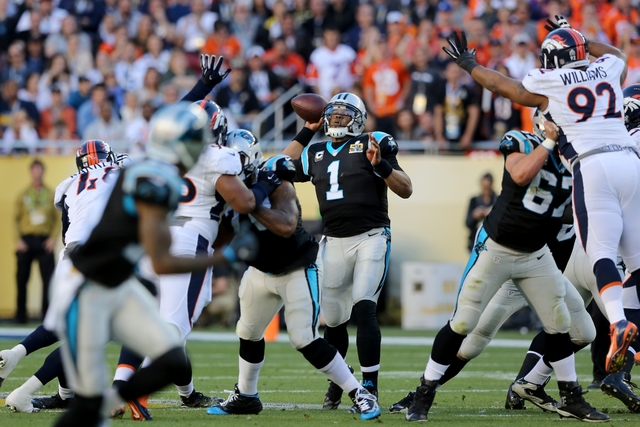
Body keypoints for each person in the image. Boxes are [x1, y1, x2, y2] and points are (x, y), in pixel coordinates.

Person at [42, 102, 271, 426]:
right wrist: (226, 257)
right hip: (85, 286)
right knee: (87, 410)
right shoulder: (154, 180)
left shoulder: (160, 172)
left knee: (173, 360)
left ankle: (117, 395)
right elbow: (163, 262)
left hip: (117, 282)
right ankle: (103, 401)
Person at [442, 17, 640, 375]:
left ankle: (619, 322)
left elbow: (505, 87)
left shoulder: (548, 82)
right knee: (637, 258)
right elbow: (617, 55)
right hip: (630, 160)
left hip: (593, 165)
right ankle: (627, 326)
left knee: (601, 254)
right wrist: (581, 39)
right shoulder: (607, 68)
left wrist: (470, 66)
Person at [400, 110, 607, 421]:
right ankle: (421, 394)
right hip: (500, 251)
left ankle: (557, 392)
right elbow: (521, 176)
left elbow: (579, 210)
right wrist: (550, 143)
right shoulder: (521, 142)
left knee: (573, 327)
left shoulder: (577, 160)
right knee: (467, 328)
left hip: (537, 257)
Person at [207, 142, 381, 421]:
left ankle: (360, 393)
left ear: (250, 161)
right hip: (260, 271)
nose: (229, 167)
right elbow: (222, 236)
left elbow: (287, 226)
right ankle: (246, 395)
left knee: (304, 339)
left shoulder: (277, 183)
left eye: (236, 159)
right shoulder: (224, 188)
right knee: (248, 332)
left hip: (297, 267)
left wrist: (249, 204)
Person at [282, 92, 412, 411]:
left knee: (364, 308)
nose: (337, 119)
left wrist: (380, 166)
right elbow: (281, 166)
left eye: (344, 114)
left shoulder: (375, 141)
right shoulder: (315, 152)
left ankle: (370, 386)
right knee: (335, 322)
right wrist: (306, 129)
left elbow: (406, 189)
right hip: (334, 241)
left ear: (358, 118)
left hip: (371, 236)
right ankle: (340, 383)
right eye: (334, 115)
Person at [4, 140, 130, 413]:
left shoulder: (68, 184)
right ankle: (25, 392)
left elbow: (65, 233)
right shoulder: (122, 171)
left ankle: (16, 355)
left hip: (70, 257)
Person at [13, 159, 59, 324]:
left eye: (40, 170)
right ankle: (20, 316)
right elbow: (15, 220)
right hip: (26, 241)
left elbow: (58, 219)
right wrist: (18, 240)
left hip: (44, 241)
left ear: (43, 172)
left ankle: (47, 317)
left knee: (48, 281)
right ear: (31, 172)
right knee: (21, 279)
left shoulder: (51, 194)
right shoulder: (23, 194)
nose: (37, 173)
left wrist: (53, 238)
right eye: (35, 170)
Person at [465, 173, 496, 253]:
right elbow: (467, 223)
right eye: (484, 186)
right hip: (476, 242)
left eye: (487, 187)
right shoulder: (474, 200)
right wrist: (474, 215)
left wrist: (491, 214)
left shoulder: (498, 201)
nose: (485, 189)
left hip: (493, 243)